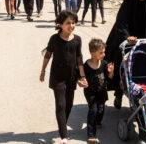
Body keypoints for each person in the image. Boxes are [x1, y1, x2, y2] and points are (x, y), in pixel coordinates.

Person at [40, 10, 88, 144]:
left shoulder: (77, 40)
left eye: (73, 23)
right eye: (68, 23)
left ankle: (62, 124)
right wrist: (43, 71)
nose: (71, 26)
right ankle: (64, 136)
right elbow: (48, 54)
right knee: (61, 105)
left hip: (72, 76)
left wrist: (82, 77)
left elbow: (79, 59)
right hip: (57, 77)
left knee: (69, 104)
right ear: (60, 24)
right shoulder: (54, 39)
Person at [83, 39, 114, 143]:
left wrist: (110, 72)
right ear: (92, 53)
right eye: (101, 52)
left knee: (101, 109)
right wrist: (82, 82)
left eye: (104, 52)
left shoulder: (104, 63)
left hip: (102, 91)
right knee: (93, 110)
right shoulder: (86, 66)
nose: (103, 54)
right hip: (90, 92)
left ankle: (98, 121)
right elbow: (81, 78)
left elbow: (109, 78)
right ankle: (91, 134)